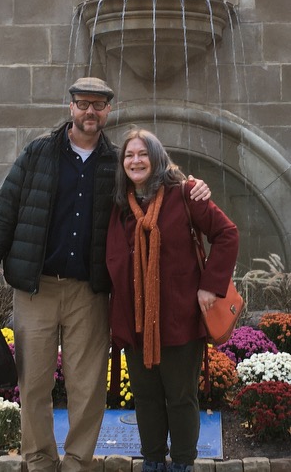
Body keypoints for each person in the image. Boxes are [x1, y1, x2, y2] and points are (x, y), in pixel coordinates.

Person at [0, 78, 210, 472]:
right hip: (37, 289)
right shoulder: (38, 153)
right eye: (83, 103)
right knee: (33, 385)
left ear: (107, 112)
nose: (90, 112)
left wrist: (192, 186)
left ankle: (78, 462)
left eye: (98, 105)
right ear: (71, 108)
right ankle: (40, 461)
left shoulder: (114, 163)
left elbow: (152, 184)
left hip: (89, 293)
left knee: (87, 387)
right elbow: (5, 212)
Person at [106, 128, 239, 472]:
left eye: (142, 154)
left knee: (180, 398)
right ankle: (152, 461)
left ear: (156, 157)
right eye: (129, 155)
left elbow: (226, 234)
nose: (135, 161)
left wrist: (211, 285)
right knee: (146, 399)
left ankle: (182, 463)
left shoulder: (185, 194)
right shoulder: (120, 207)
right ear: (123, 165)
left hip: (179, 319)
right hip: (135, 322)